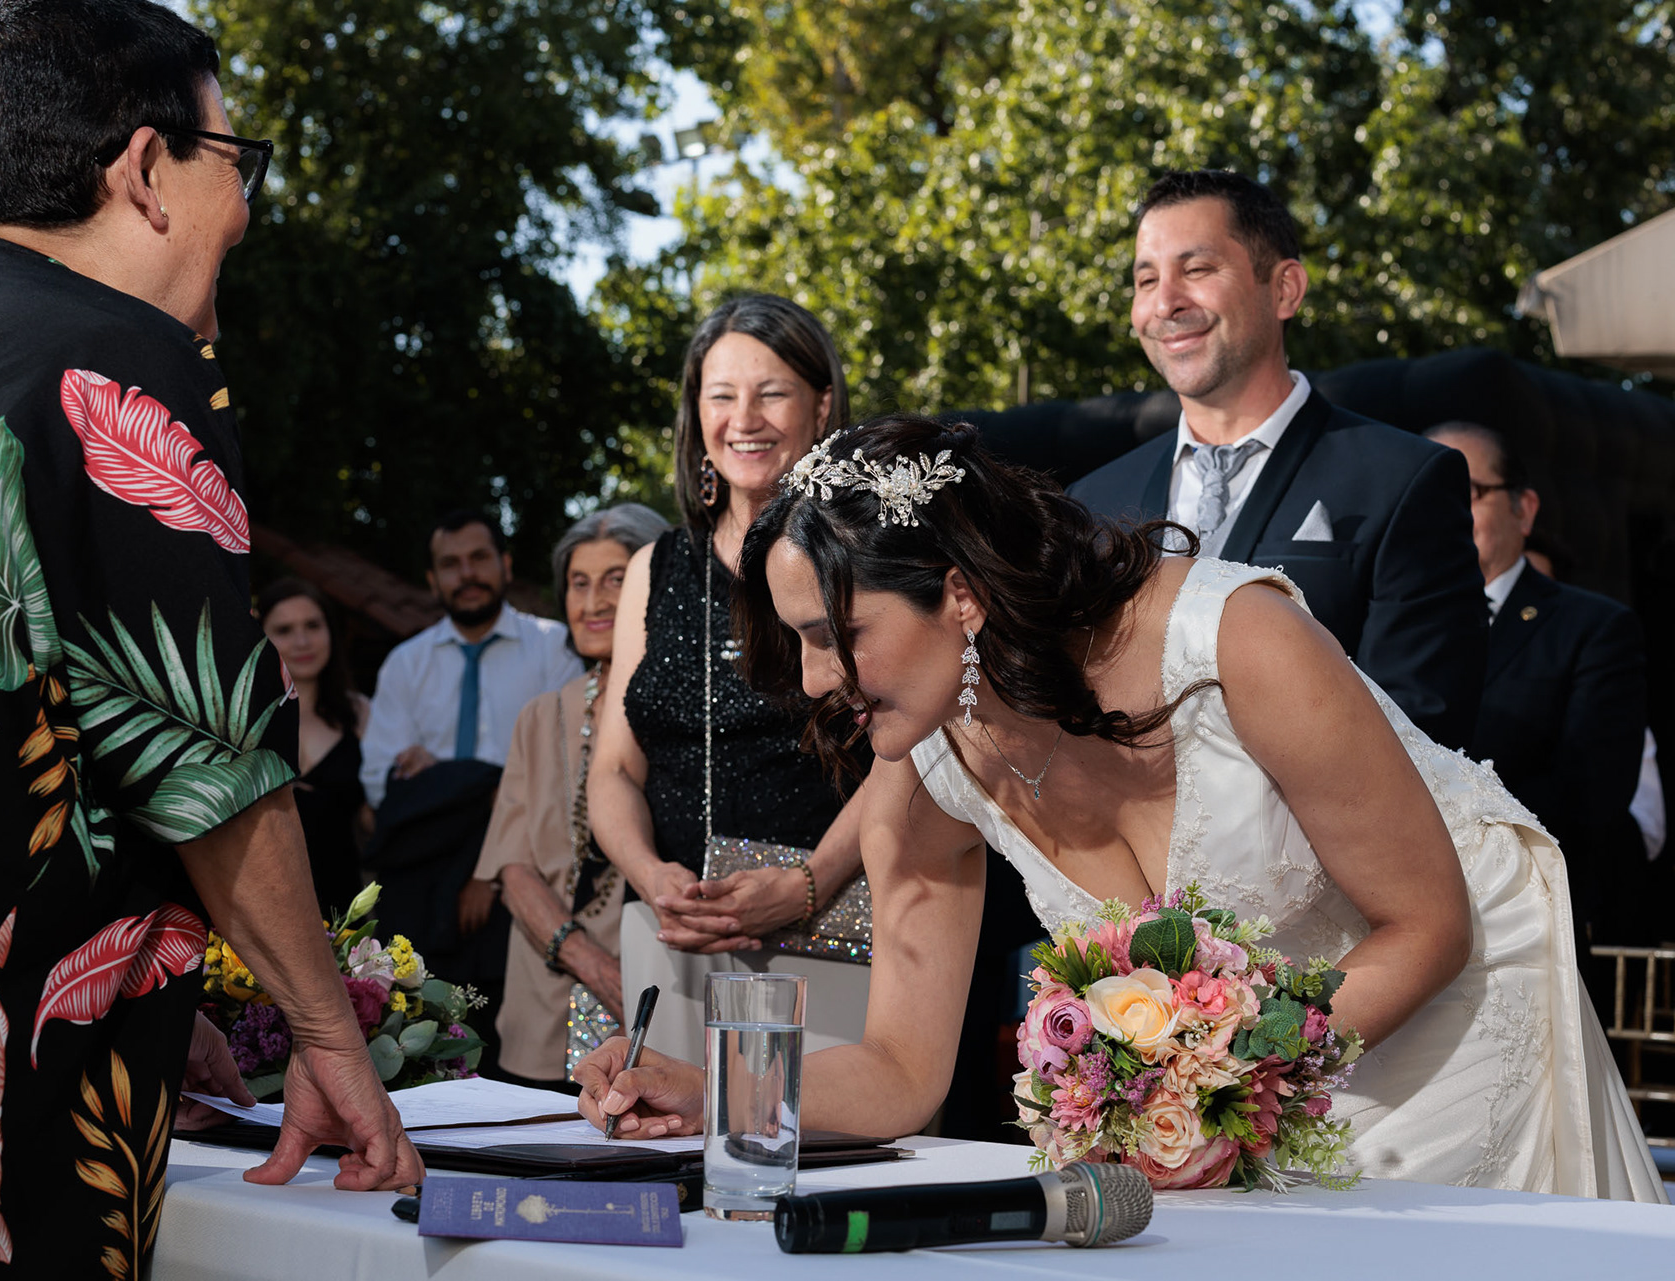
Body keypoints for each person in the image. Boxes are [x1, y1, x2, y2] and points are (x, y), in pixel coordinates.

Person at [575, 415, 1665, 1202]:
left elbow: (1427, 925)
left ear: (960, 594)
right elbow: (903, 1068)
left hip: (1453, 1023)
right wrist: (718, 1090)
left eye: (836, 635)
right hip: (1223, 1115)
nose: (817, 681)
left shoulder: (1235, 644)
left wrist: (1211, 1081)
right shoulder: (926, 769)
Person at [0, 0, 418, 1271]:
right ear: (146, 169)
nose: (245, 211)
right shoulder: (117, 364)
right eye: (236, 163)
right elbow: (208, 756)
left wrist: (135, 975)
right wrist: (328, 1035)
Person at [1068, 169, 1486, 750]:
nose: (1165, 302)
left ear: (1285, 288)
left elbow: (1421, 732)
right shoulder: (1089, 503)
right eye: (1146, 280)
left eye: (1197, 269)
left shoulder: (1404, 481)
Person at [588, 294, 871, 1065]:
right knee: (665, 1129)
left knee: (809, 1138)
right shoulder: (653, 569)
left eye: (771, 392)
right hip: (673, 940)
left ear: (821, 406)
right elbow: (612, 770)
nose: (744, 418)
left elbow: (915, 752)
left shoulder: (868, 553)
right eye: (721, 395)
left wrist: (808, 883)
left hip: (835, 936)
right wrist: (652, 875)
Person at [1424, 424, 1651, 964]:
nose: (1442, 511)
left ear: (1523, 510)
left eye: (1466, 492)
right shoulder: (1357, 625)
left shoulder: (1593, 629)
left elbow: (1593, 794)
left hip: (1524, 932)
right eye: (1424, 496)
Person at [463, 504, 670, 1088]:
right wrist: (594, 966)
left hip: (662, 997)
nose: (593, 602)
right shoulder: (541, 716)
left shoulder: (689, 713)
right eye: (579, 583)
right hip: (544, 1005)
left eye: (615, 580)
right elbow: (512, 870)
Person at [357, 509, 579, 806]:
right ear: (433, 581)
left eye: (479, 557)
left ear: (506, 566)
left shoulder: (554, 647)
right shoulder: (404, 664)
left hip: (533, 830)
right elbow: (377, 778)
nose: (467, 574)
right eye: (450, 564)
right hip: (433, 833)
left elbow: (570, 759)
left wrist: (439, 780)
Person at [259, 577, 373, 915]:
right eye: (284, 630)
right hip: (263, 908)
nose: (302, 641)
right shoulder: (240, 722)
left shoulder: (362, 714)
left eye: (312, 625)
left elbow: (375, 819)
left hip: (343, 906)